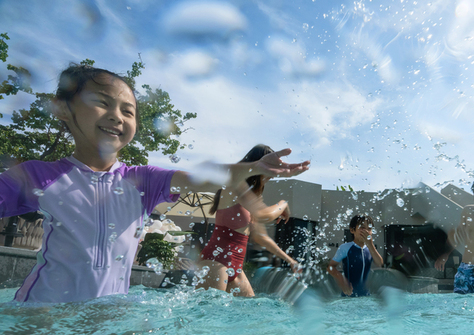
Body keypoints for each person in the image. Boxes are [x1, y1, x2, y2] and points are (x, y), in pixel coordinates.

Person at [0, 64, 309, 303]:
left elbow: (203, 177)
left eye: (127, 110)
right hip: (42, 312)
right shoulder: (39, 176)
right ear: (63, 109)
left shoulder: (142, 180)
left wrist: (252, 167)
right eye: (102, 103)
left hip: (108, 315)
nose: (116, 117)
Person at [196, 144, 301, 296]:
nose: (274, 173)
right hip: (216, 260)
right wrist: (283, 203)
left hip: (236, 266)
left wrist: (290, 260)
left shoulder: (253, 198)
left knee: (251, 316)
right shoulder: (233, 186)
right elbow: (264, 215)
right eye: (272, 167)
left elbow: (261, 236)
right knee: (206, 316)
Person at [327, 214, 383, 297]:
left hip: (366, 296)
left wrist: (370, 245)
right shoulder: (345, 248)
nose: (366, 231)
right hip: (348, 297)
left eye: (369, 229)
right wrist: (342, 280)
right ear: (352, 230)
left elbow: (380, 263)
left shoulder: (370, 249)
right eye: (362, 228)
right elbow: (330, 267)